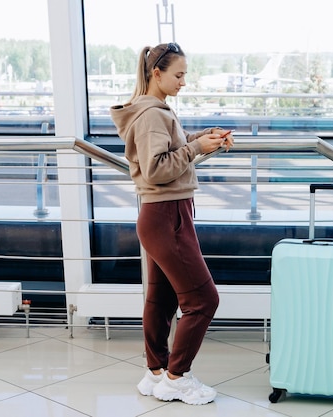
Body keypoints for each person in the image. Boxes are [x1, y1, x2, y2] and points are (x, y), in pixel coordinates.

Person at [110, 42, 233, 405]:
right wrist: (197, 150)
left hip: (159, 215)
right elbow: (157, 168)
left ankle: (156, 371)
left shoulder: (154, 111)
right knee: (203, 299)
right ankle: (177, 377)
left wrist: (202, 139)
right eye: (178, 75)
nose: (183, 82)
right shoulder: (152, 115)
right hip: (167, 215)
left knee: (161, 298)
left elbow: (170, 147)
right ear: (156, 73)